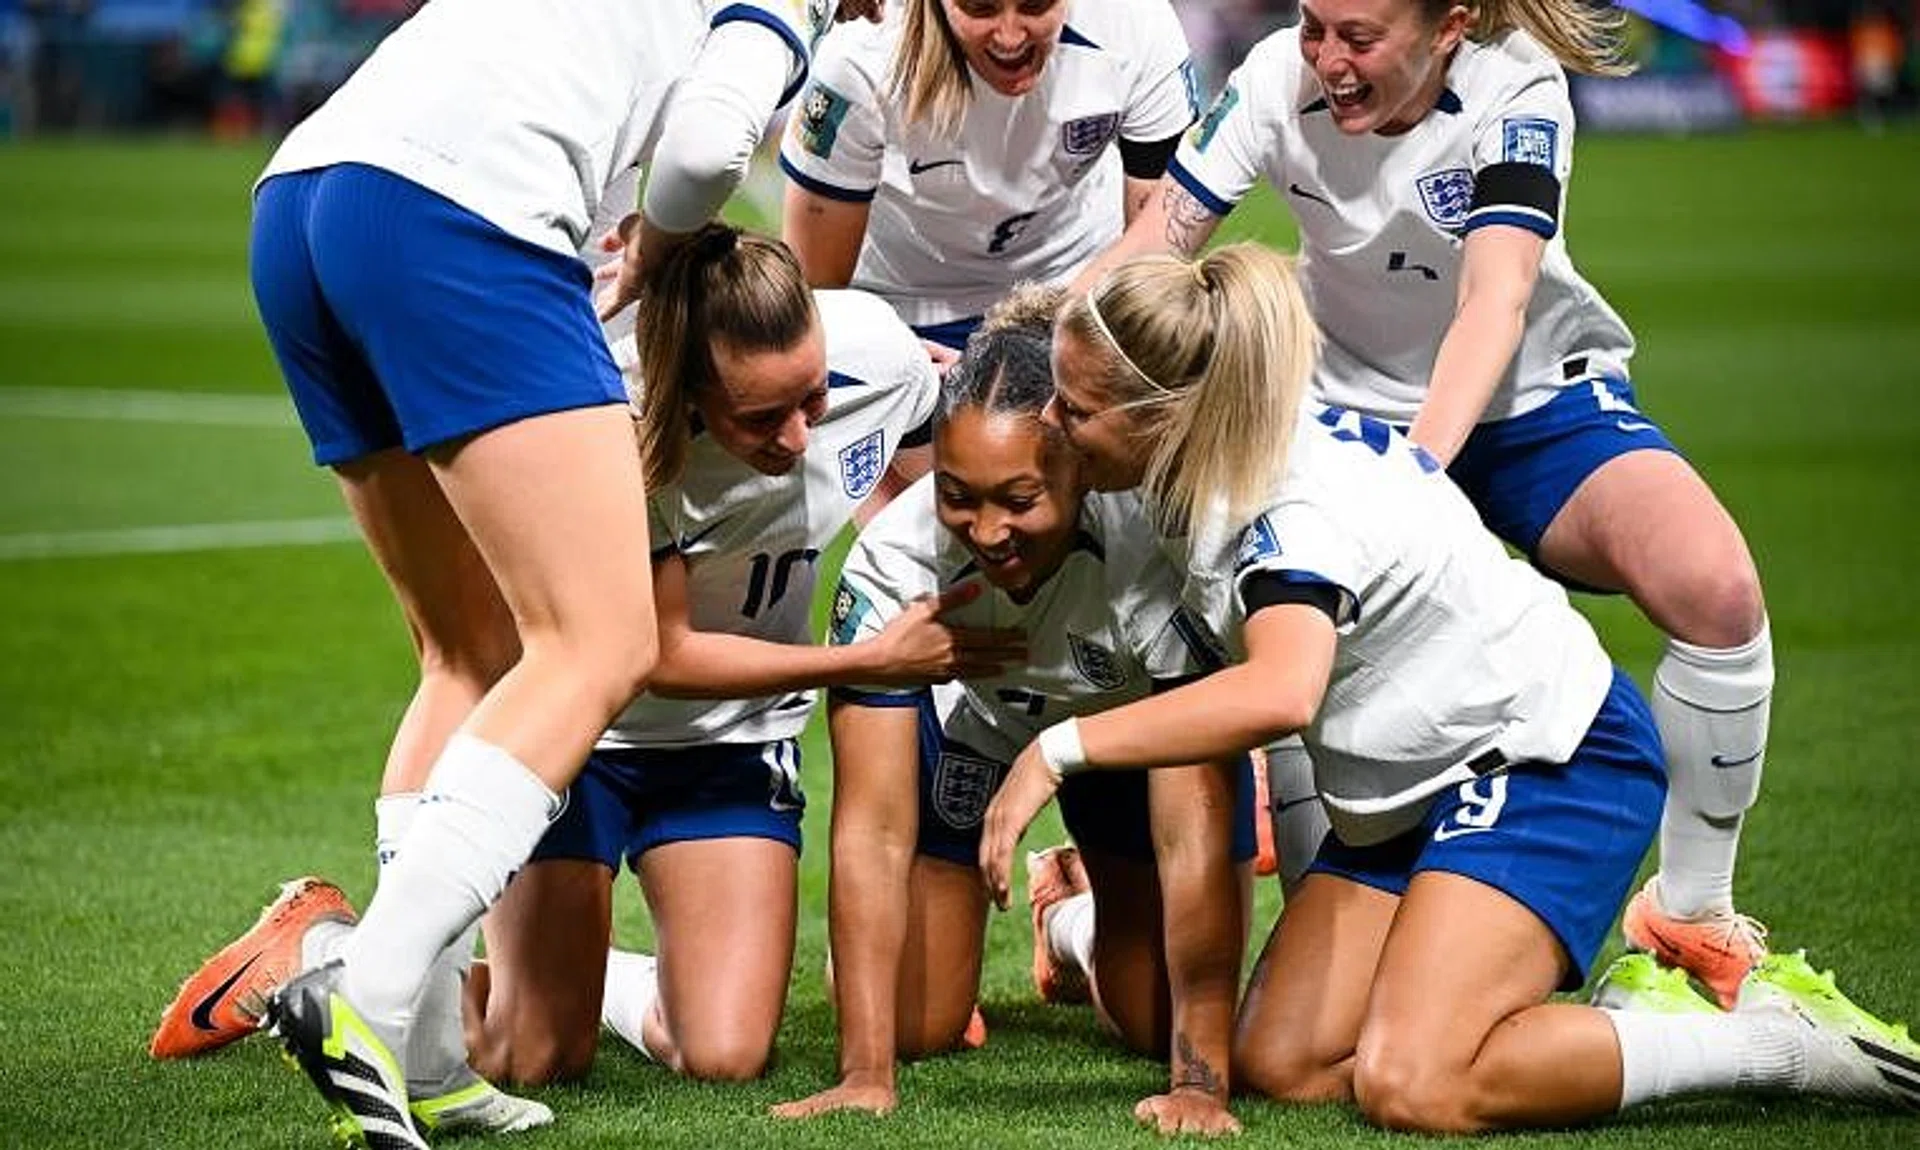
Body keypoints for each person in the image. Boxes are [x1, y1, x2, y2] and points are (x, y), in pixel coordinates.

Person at [976, 245, 1920, 1132]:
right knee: (1285, 1060)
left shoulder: (1285, 513)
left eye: (1074, 409)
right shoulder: (1211, 456)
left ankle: (1770, 1047)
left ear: (1161, 416)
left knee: (1414, 1080)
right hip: (1410, 794)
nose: (1050, 423)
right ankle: (1516, 1015)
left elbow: (1281, 694)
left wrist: (1056, 751)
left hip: (1546, 760)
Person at [153, 2, 854, 1145]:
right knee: (602, 642)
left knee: (467, 653)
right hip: (463, 211)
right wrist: (662, 246)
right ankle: (367, 988)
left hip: (306, 200)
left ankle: (421, 1050)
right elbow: (702, 153)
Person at [1080, 0, 1778, 1006]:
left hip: (1525, 401)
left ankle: (1692, 913)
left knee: (1715, 586)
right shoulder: (1274, 77)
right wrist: (1040, 345)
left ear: (1448, 26)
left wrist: (1411, 482)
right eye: (1314, 27)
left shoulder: (1516, 84)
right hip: (1338, 412)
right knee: (1291, 641)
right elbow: (1158, 242)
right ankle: (1173, 916)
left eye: (1358, 38)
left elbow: (1494, 301)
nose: (1328, 59)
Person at [461, 223, 1020, 1086]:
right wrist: (865, 659)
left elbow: (921, 495)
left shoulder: (877, 353)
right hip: (579, 734)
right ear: (686, 391)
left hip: (731, 741)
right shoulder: (612, 426)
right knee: (530, 1056)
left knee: (724, 1055)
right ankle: (346, 956)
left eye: (813, 399)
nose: (797, 438)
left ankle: (584, 975)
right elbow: (660, 654)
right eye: (760, 418)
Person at [772, 296, 1250, 1134]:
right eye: (957, 495)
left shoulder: (1158, 543)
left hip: (1121, 738)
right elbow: (871, 831)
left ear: (1079, 470)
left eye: (1019, 498)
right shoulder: (892, 566)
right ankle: (1044, 913)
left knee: (1156, 1021)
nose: (987, 531)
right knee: (914, 1024)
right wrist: (864, 1073)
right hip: (975, 730)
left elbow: (1190, 832)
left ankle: (1068, 919)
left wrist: (1198, 1084)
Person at [779, 0, 1201, 352]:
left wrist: (1041, 338)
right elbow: (818, 293)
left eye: (1035, 5)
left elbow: (1155, 250)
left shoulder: (1135, 22)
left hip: (1077, 284)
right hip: (906, 306)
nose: (1010, 37)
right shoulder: (860, 56)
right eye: (981, 8)